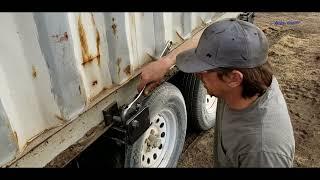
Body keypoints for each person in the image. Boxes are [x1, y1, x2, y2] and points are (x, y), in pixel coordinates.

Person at [137, 18, 295, 167]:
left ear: (233, 78)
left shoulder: (262, 151)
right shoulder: (248, 78)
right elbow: (207, 41)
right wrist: (166, 63)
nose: (196, 74)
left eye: (203, 70)